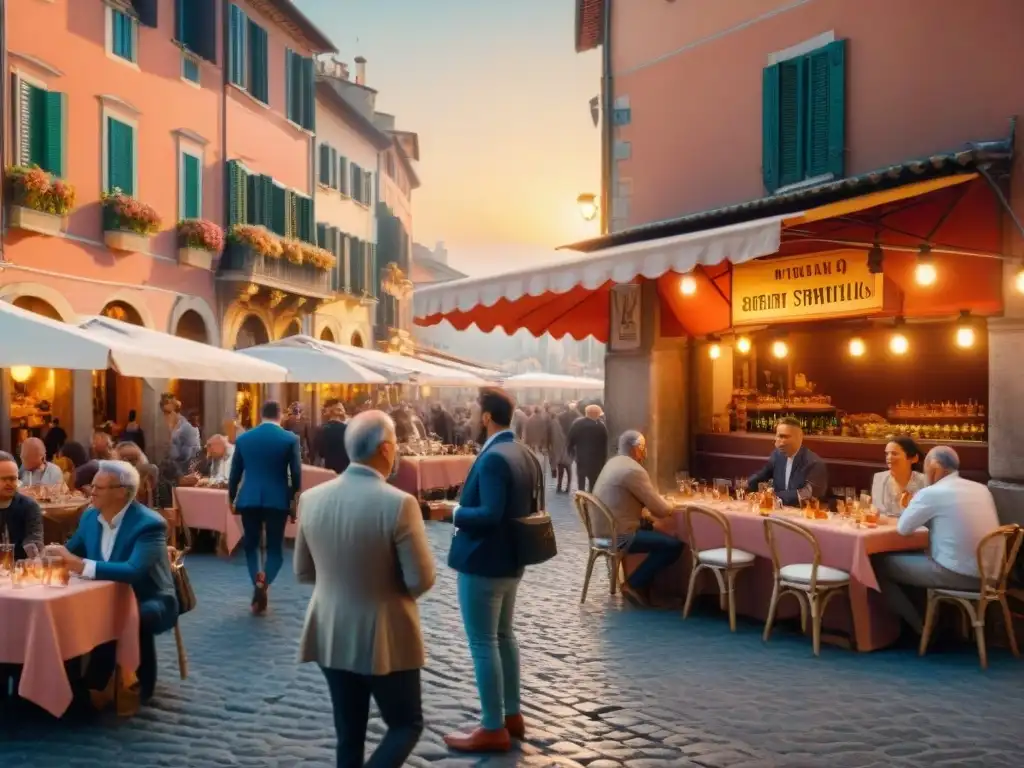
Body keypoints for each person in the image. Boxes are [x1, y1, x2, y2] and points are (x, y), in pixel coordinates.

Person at [295, 410, 435, 768]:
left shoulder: (311, 499)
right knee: (406, 724)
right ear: (387, 449)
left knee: (349, 732)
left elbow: (303, 571)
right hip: (384, 631)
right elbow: (420, 579)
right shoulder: (399, 503)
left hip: (329, 625)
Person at [444, 388, 537, 753]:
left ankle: (492, 726)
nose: (469, 417)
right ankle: (511, 715)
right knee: (503, 638)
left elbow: (490, 514)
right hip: (511, 560)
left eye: (473, 411)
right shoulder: (523, 452)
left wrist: (450, 511)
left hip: (485, 560)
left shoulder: (495, 456)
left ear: (486, 417)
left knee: (484, 642)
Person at [56, 460, 178, 702]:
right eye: (92, 486)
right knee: (64, 613)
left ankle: (137, 685)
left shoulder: (149, 524)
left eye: (98, 487)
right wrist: (52, 556)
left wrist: (81, 565)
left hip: (147, 595)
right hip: (101, 595)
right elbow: (70, 551)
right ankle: (73, 682)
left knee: (133, 617)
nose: (91, 491)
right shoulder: (91, 518)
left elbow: (133, 571)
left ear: (121, 492)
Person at [872, 446, 1001, 635]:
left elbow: (903, 528)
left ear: (936, 467)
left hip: (958, 574)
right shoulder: (982, 489)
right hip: (993, 575)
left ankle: (921, 628)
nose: (925, 474)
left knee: (877, 565)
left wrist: (913, 505)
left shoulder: (932, 492)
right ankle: (934, 621)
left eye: (926, 469)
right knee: (917, 557)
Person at [228, 400, 302, 614]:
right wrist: (293, 501)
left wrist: (232, 498)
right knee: (275, 549)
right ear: (280, 415)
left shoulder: (244, 438)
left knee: (251, 546)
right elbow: (296, 475)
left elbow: (234, 474)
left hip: (249, 498)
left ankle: (256, 580)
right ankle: (265, 582)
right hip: (277, 500)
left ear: (261, 414)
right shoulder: (290, 439)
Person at [592, 430, 681, 606]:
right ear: (637, 449)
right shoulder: (633, 470)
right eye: (643, 448)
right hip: (619, 537)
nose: (645, 452)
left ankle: (643, 589)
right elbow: (660, 509)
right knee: (673, 546)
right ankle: (633, 584)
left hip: (601, 531)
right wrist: (673, 505)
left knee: (653, 532)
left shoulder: (613, 463)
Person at [746, 416, 828, 505]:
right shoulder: (777, 455)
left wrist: (773, 496)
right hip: (777, 511)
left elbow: (807, 494)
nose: (777, 440)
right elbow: (762, 475)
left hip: (802, 514)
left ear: (799, 438)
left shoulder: (814, 463)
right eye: (777, 436)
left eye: (783, 436)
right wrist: (745, 485)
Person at [0, 451, 44, 559]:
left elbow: (34, 541)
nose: (9, 483)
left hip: (20, 569)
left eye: (13, 478)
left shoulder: (29, 507)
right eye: (4, 479)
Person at [871, 436, 927, 517]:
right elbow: (877, 511)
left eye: (894, 454)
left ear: (914, 458)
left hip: (915, 529)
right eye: (887, 454)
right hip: (886, 528)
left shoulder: (924, 481)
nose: (889, 457)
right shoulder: (879, 478)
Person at [567, 404, 609, 493]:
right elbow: (604, 445)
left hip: (581, 458)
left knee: (581, 481)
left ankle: (581, 498)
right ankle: (590, 499)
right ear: (597, 414)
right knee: (593, 483)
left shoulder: (577, 424)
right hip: (596, 461)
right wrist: (603, 461)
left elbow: (570, 440)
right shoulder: (601, 427)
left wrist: (572, 454)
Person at [313, 399, 350, 475]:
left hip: (328, 473)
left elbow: (320, 454)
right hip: (346, 473)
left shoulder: (321, 430)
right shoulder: (349, 430)